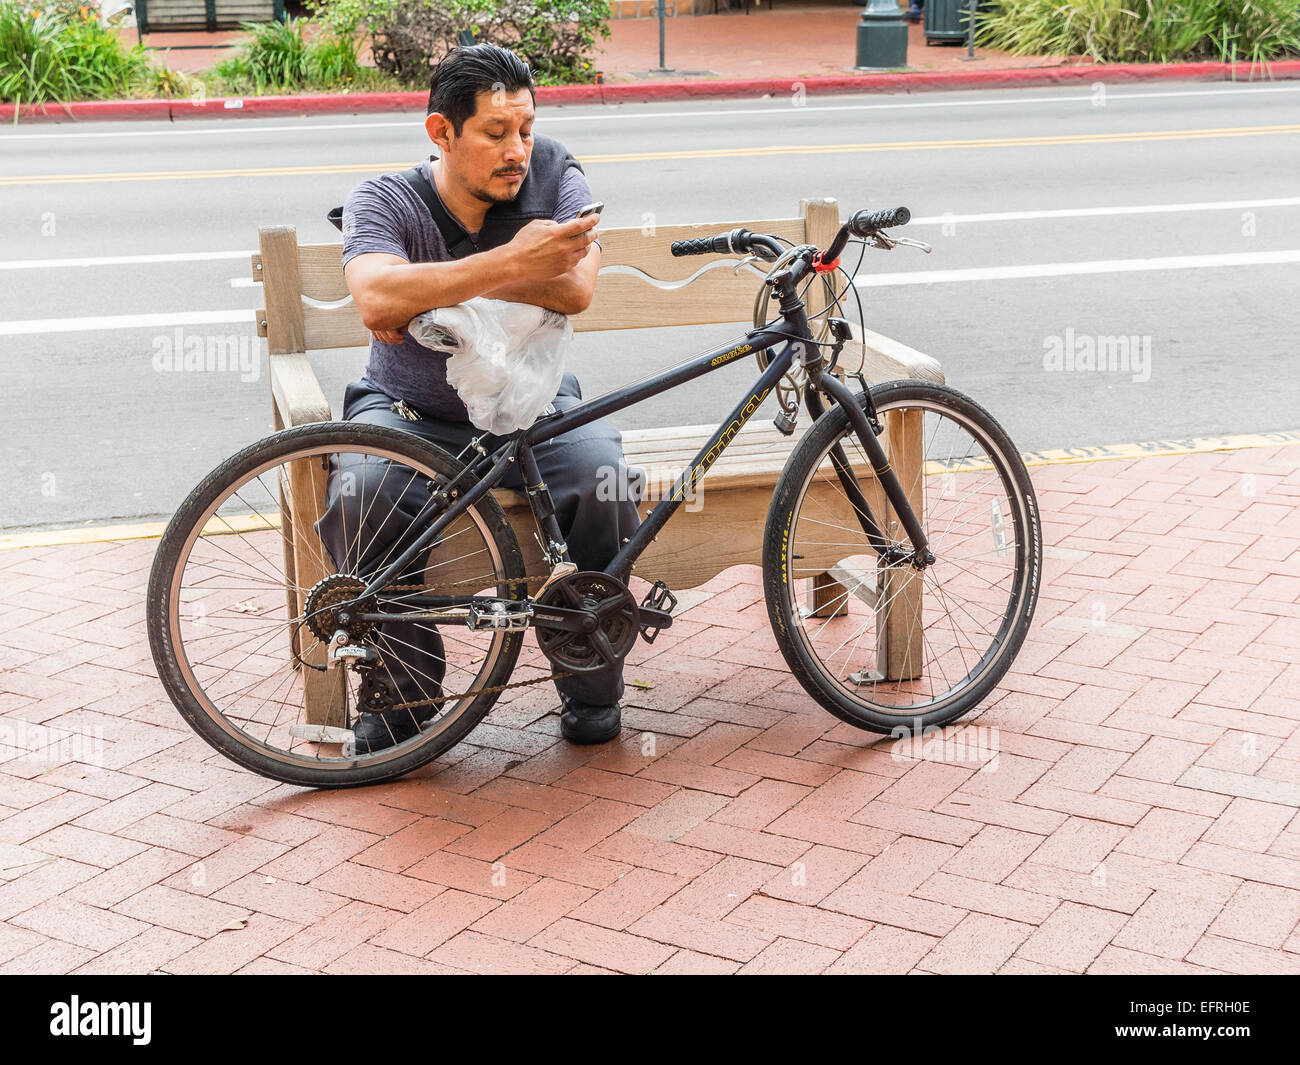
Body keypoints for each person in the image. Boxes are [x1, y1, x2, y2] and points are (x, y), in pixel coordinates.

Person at [322, 42, 640, 752]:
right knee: (360, 494)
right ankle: (403, 699)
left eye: (524, 128)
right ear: (442, 132)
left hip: (538, 407)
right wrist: (514, 262)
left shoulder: (558, 170)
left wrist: (432, 282)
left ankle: (591, 681)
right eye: (496, 133)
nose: (518, 149)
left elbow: (577, 288)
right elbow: (377, 297)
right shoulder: (386, 197)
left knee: (603, 478)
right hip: (409, 413)